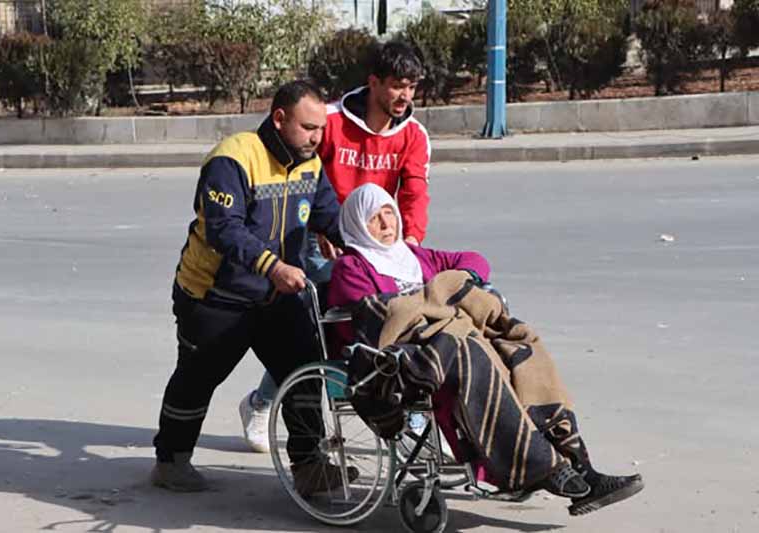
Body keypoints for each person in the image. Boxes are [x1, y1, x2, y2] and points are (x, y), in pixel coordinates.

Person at [327, 183, 644, 516]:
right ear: (358, 225)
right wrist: (437, 299)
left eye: (389, 213)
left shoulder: (415, 256)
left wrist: (451, 287)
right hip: (409, 359)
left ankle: (581, 467)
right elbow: (379, 318)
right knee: (472, 354)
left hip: (453, 338)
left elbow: (473, 261)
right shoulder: (352, 267)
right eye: (374, 218)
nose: (386, 224)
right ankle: (542, 468)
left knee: (520, 349)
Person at [151, 80, 354, 495]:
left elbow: (330, 216)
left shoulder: (310, 163)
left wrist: (370, 246)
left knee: (303, 374)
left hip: (277, 296)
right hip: (215, 295)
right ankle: (171, 461)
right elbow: (225, 230)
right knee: (197, 379)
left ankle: (310, 466)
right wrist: (273, 266)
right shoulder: (233, 159)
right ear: (279, 119)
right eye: (308, 127)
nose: (316, 137)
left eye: (320, 129)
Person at [239, 40, 432, 452]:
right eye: (397, 85)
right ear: (374, 82)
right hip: (321, 242)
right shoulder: (329, 120)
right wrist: (322, 229)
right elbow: (300, 170)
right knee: (317, 331)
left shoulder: (414, 135)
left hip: (377, 244)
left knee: (395, 323)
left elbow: (414, 193)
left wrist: (410, 243)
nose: (405, 96)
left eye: (412, 87)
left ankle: (412, 418)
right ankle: (262, 402)